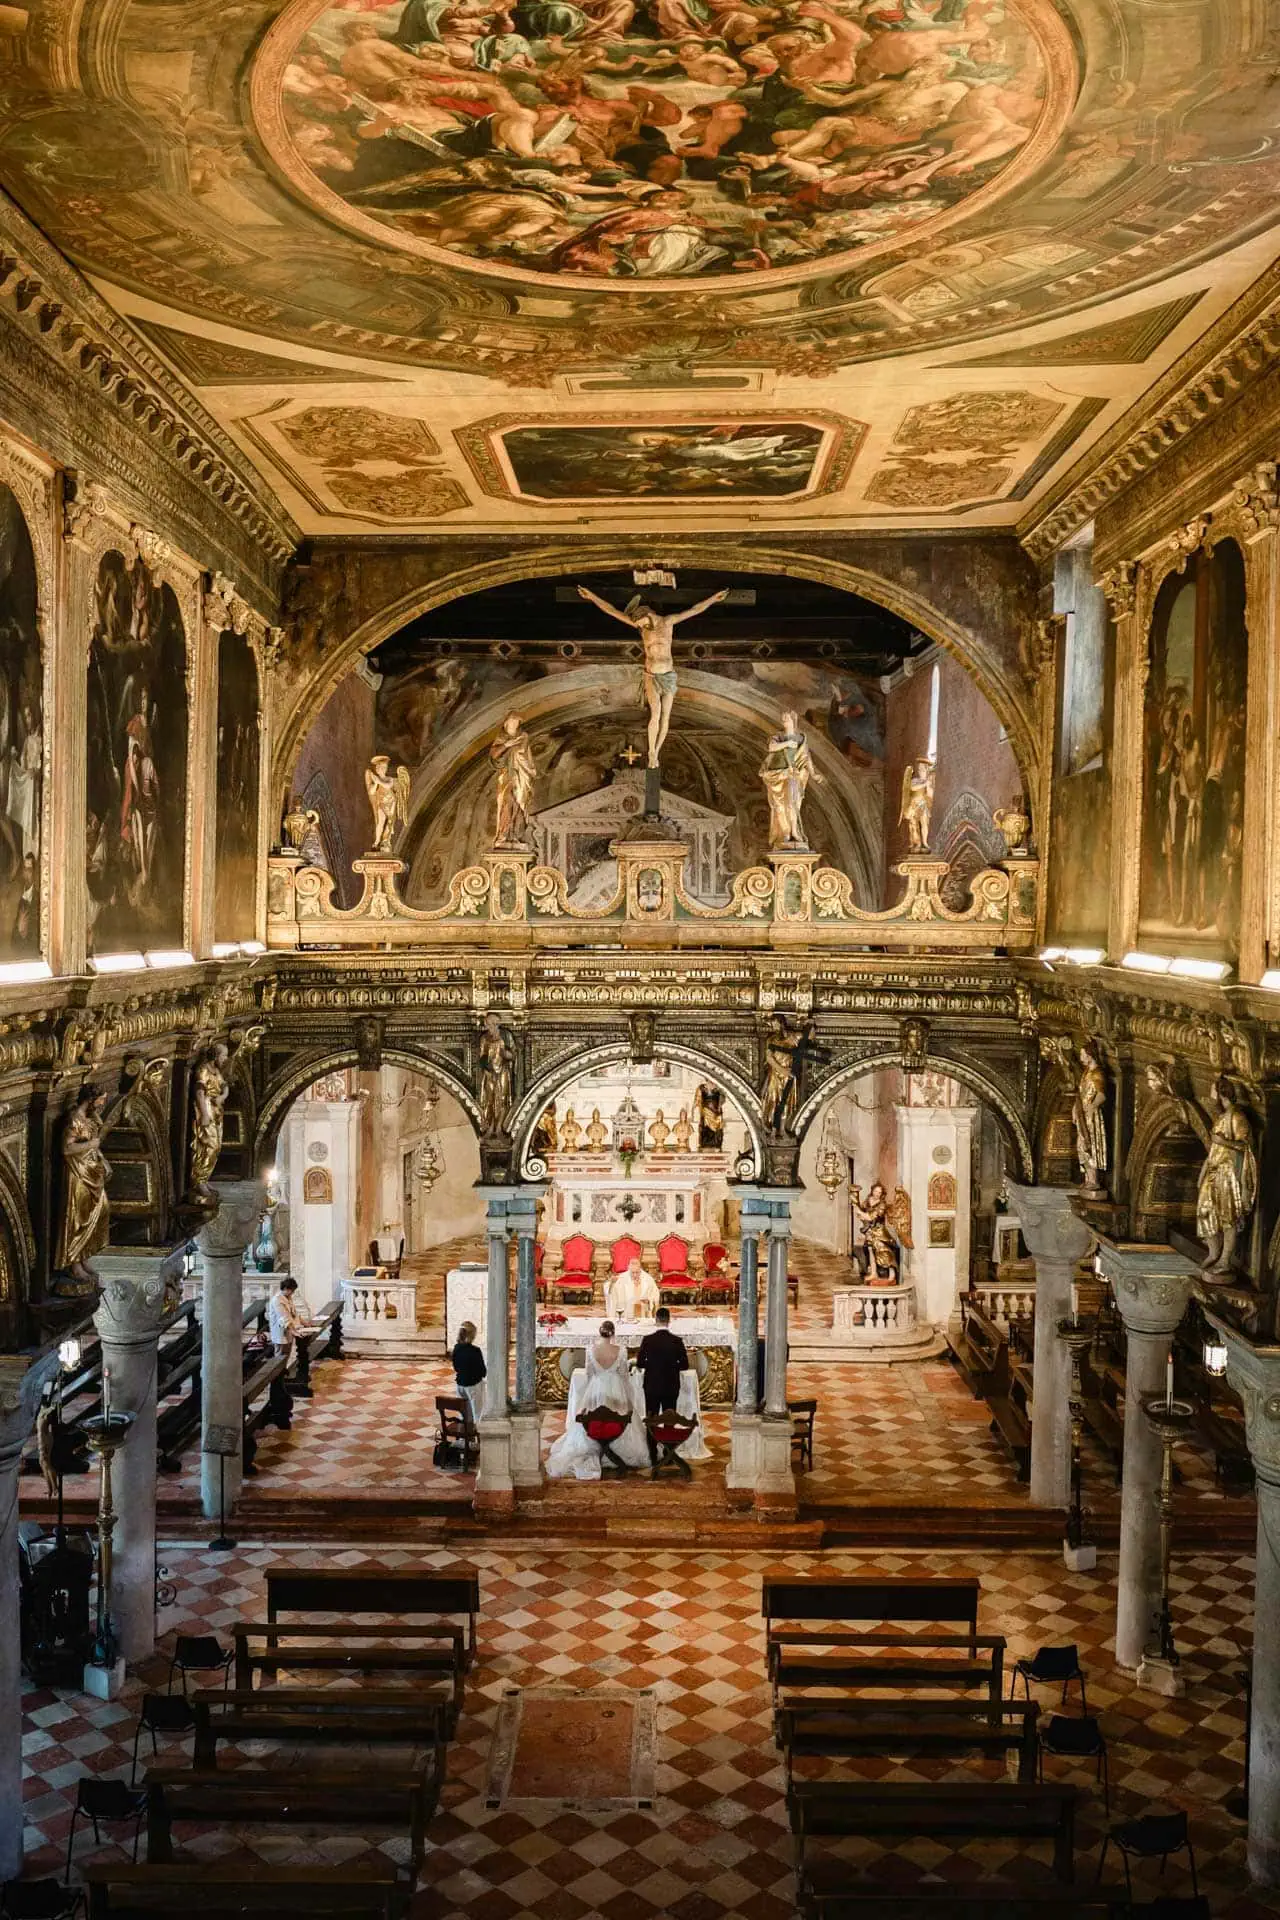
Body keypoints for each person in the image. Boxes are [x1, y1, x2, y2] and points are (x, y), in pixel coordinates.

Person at [546, 1320, 650, 1479]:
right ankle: (615, 1451)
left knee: (592, 1417)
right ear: (613, 1333)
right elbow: (623, 1376)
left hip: (596, 1387)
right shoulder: (621, 1350)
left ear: (599, 1333)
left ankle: (597, 1447)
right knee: (620, 1417)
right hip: (617, 1388)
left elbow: (589, 1374)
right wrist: (629, 1399)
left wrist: (589, 1394)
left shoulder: (591, 1350)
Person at [636, 1307, 688, 1417]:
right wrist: (672, 1366)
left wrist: (653, 1365)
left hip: (652, 1385)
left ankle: (650, 1435)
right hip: (671, 1385)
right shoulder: (677, 1341)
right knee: (669, 1420)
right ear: (669, 1321)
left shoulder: (647, 1340)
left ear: (656, 1320)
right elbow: (685, 1365)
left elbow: (639, 1363)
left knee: (651, 1420)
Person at [451, 1320, 487, 1429]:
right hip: (473, 1386)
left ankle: (465, 1440)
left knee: (464, 1415)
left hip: (460, 1385)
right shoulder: (475, 1351)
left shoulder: (456, 1348)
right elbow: (483, 1372)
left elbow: (456, 1368)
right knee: (477, 1415)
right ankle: (476, 1440)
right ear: (472, 1335)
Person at [268, 1276, 311, 1363]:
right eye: (292, 1290)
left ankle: (284, 1372)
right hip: (280, 1332)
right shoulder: (277, 1300)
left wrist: (305, 1323)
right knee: (279, 1357)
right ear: (286, 1288)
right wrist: (294, 1332)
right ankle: (278, 1375)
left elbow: (294, 1314)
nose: (293, 1293)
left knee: (287, 1354)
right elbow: (283, 1318)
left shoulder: (288, 1298)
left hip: (289, 1331)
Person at [606, 1254, 659, 1322]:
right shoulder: (622, 1278)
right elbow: (610, 1292)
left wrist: (649, 1300)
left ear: (640, 1269)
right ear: (629, 1270)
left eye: (637, 1272)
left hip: (642, 1312)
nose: (635, 1275)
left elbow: (656, 1295)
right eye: (632, 1273)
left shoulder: (648, 1279)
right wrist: (612, 1283)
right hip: (627, 1313)